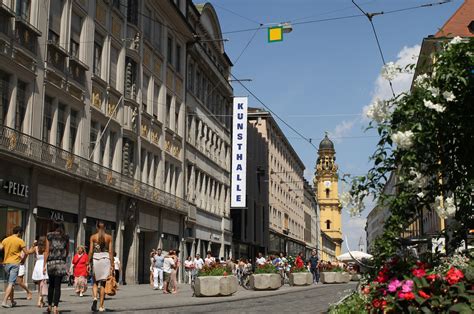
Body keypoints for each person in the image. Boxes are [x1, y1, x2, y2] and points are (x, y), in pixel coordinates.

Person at [0, 226, 30, 308]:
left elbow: (0, 248)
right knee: (11, 283)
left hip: (6, 264)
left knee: (10, 283)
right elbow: (26, 252)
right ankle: (4, 301)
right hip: (14, 264)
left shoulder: (6, 240)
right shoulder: (20, 241)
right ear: (19, 232)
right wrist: (23, 259)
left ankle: (12, 301)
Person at [43, 222, 69, 314]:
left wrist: (44, 265)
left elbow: (46, 250)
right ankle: (55, 308)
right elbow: (67, 250)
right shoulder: (65, 236)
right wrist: (63, 260)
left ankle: (49, 306)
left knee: (51, 286)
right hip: (60, 263)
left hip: (51, 263)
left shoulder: (49, 236)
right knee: (58, 286)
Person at [88, 221, 113, 312]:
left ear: (97, 227)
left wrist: (88, 262)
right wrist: (112, 265)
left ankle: (95, 298)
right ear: (105, 227)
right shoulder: (109, 237)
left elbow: (91, 251)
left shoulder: (93, 237)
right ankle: (101, 306)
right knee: (103, 283)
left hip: (96, 259)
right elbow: (110, 252)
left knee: (95, 281)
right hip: (106, 259)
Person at [31, 237, 48, 307]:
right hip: (42, 266)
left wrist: (33, 245)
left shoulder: (36, 248)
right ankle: (39, 301)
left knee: (39, 285)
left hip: (37, 266)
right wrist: (44, 267)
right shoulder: (45, 248)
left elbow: (28, 252)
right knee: (42, 284)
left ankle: (41, 301)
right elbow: (45, 259)